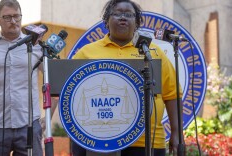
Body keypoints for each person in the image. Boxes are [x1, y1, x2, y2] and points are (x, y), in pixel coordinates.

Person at [71, 0, 184, 155]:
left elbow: (172, 94)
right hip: (97, 141)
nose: (122, 18)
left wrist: (177, 133)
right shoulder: (86, 52)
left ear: (136, 23)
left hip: (146, 141)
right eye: (117, 13)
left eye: (128, 15)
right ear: (106, 20)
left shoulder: (153, 52)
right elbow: (68, 92)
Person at [0, 0, 54, 155]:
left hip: (29, 124)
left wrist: (48, 116)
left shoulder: (37, 47)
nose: (13, 21)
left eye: (16, 16)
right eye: (7, 17)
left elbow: (52, 82)